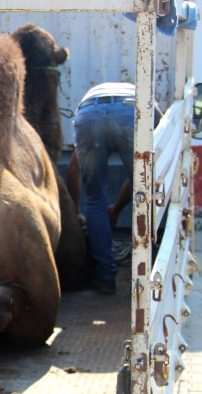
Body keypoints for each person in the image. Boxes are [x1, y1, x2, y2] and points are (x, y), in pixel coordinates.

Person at [68, 82, 161, 294]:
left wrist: (75, 211)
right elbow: (146, 175)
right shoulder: (146, 99)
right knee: (144, 189)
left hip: (88, 114)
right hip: (132, 112)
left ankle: (105, 277)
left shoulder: (91, 98)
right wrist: (118, 208)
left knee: (94, 198)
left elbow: (74, 167)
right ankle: (147, 276)